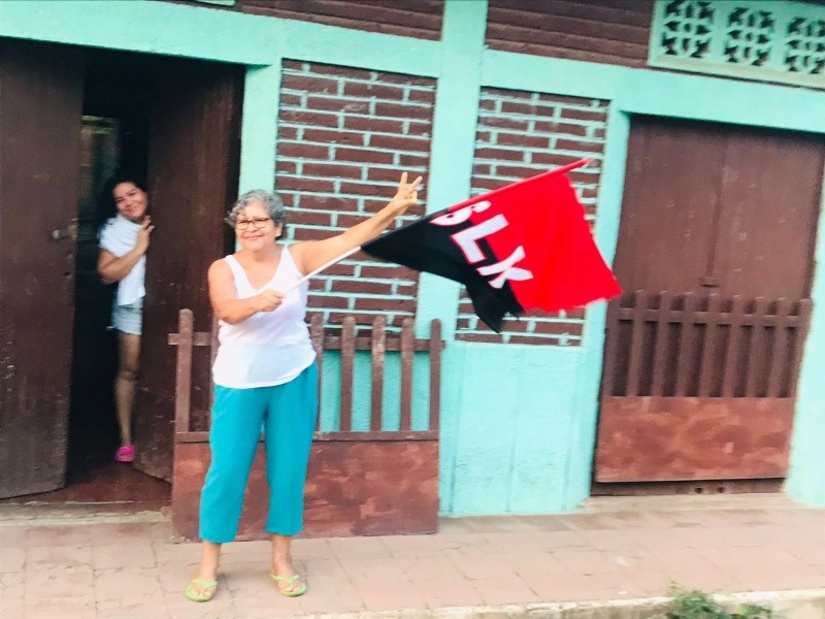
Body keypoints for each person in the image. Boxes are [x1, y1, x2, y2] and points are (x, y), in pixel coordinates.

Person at [185, 172, 423, 603]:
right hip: (239, 381)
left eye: (260, 220)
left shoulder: (297, 257)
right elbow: (227, 310)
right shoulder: (224, 267)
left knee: (289, 469)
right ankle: (209, 562)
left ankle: (281, 559)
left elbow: (350, 240)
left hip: (293, 376)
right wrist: (257, 302)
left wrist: (392, 209)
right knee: (227, 472)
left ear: (278, 226)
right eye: (243, 222)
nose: (251, 228)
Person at [97, 173, 154, 464]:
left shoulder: (168, 217)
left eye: (132, 194)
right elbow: (107, 274)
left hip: (168, 305)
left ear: (146, 191)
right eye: (120, 200)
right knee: (130, 370)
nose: (128, 203)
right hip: (133, 309)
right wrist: (139, 247)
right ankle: (126, 439)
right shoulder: (115, 230)